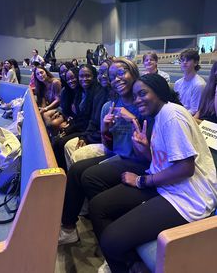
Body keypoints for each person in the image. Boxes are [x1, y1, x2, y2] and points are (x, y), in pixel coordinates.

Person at [87, 74, 217, 273]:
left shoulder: (171, 115)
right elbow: (164, 162)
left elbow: (185, 168)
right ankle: (129, 263)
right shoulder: (159, 116)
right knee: (98, 206)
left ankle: (124, 261)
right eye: (135, 95)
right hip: (167, 186)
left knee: (110, 240)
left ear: (159, 92)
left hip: (188, 197)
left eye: (143, 93)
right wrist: (145, 149)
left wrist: (141, 180)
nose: (137, 99)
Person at [58, 58, 152, 245]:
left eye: (121, 73)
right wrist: (104, 129)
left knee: (91, 177)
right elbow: (108, 147)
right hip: (116, 156)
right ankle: (68, 227)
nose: (116, 79)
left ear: (133, 73)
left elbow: (150, 150)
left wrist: (133, 119)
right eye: (112, 77)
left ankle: (108, 224)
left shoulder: (143, 104)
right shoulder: (108, 107)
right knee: (77, 170)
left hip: (140, 161)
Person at [64, 59, 112, 168]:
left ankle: (76, 177)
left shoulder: (109, 96)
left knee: (77, 155)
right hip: (95, 134)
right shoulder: (100, 94)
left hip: (105, 140)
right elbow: (93, 121)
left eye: (106, 72)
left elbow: (106, 131)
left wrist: (87, 137)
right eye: (101, 72)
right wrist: (84, 137)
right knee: (69, 146)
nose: (103, 76)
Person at [52, 64, 100, 171]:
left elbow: (89, 120)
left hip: (88, 130)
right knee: (57, 141)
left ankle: (63, 173)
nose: (84, 79)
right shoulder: (80, 92)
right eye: (81, 76)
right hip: (82, 126)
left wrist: (71, 129)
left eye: (87, 76)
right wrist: (70, 126)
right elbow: (78, 116)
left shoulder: (96, 93)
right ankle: (59, 171)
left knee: (61, 143)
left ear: (94, 76)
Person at [174, 49, 206, 115]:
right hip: (178, 113)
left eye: (188, 60)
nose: (184, 62)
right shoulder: (178, 83)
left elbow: (194, 110)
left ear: (196, 63)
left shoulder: (199, 85)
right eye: (182, 60)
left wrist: (177, 115)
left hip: (189, 117)